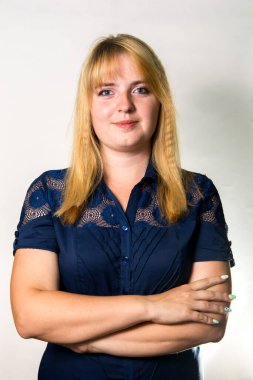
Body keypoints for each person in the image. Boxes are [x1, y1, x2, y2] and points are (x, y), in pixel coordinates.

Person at [11, 34, 235, 380]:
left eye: (141, 89)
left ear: (160, 101)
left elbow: (209, 324)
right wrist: (153, 306)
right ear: (88, 105)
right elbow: (29, 316)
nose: (125, 105)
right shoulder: (49, 193)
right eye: (106, 91)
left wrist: (86, 339)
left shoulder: (199, 194)